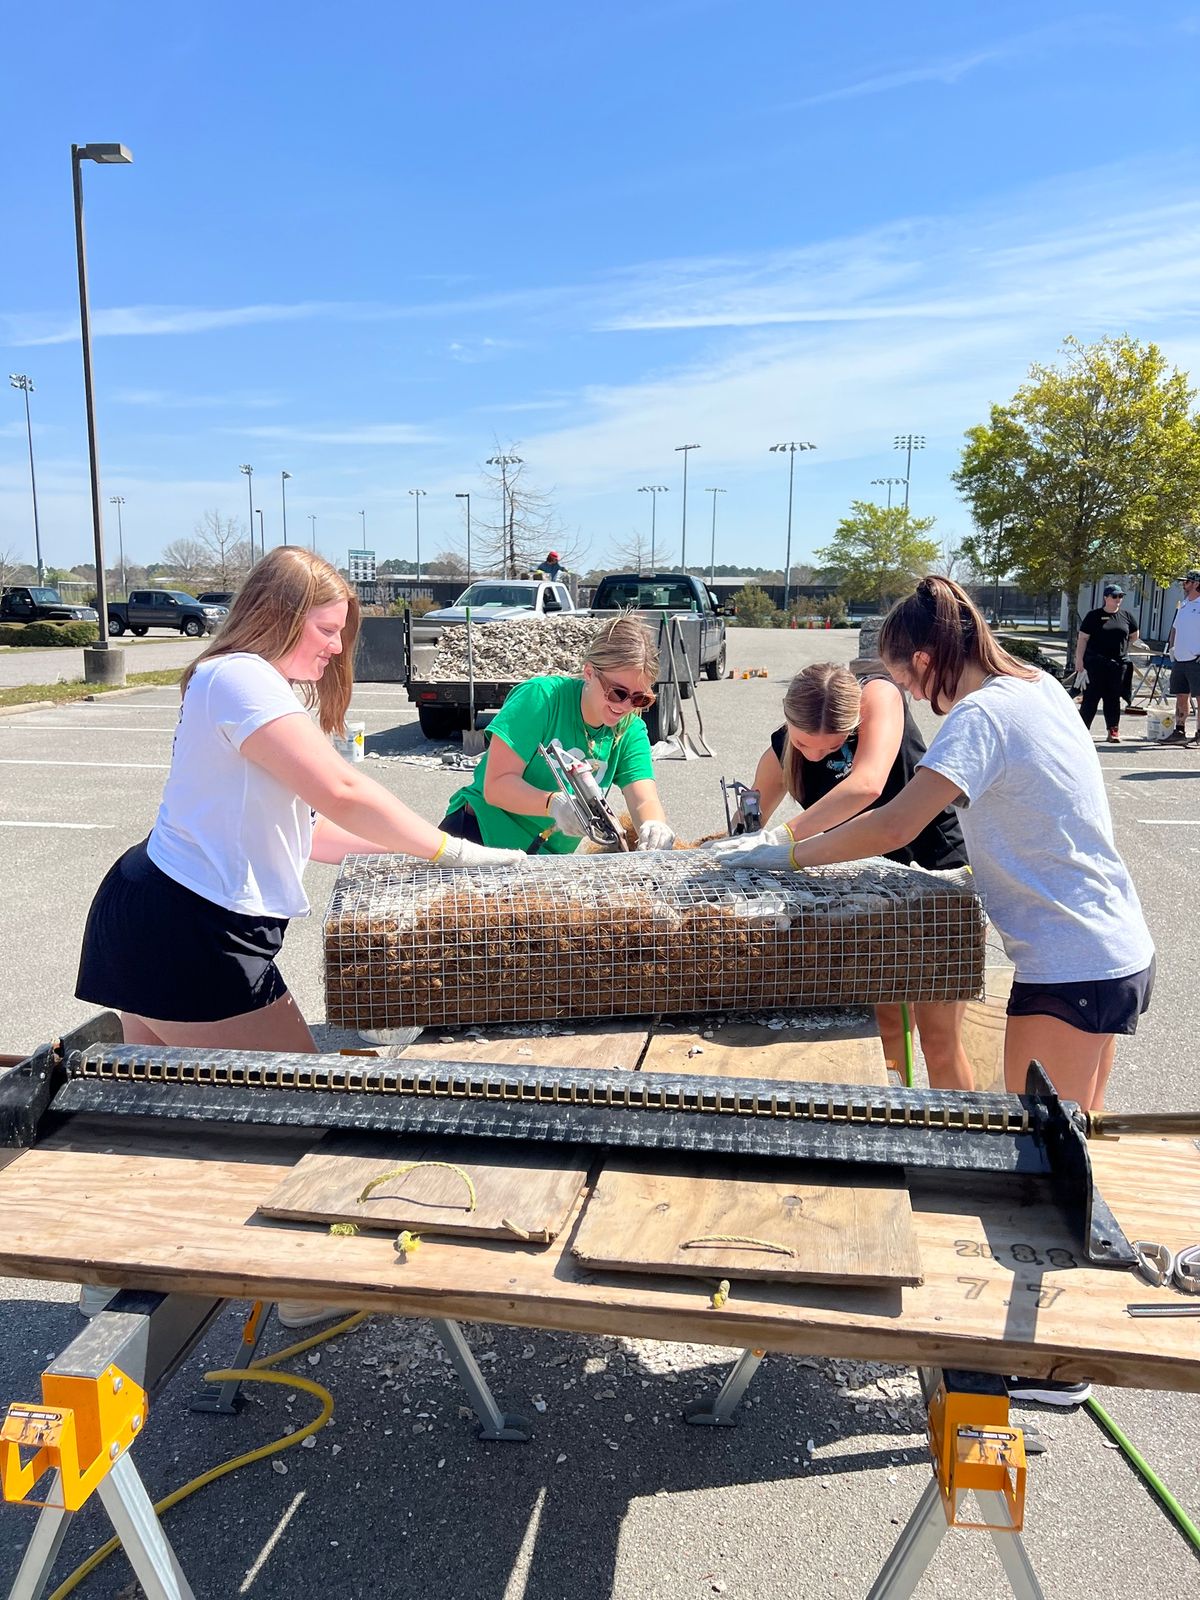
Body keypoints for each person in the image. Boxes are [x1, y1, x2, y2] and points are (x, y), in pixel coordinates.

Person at [76, 547, 522, 1058]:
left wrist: (414, 857)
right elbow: (342, 792)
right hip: (188, 925)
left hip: (166, 912)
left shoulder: (252, 684)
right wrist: (453, 850)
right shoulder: (240, 677)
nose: (336, 647)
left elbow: (308, 829)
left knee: (158, 1107)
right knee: (298, 1105)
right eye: (326, 630)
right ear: (280, 617)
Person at [709, 662, 974, 1089]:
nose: (814, 755)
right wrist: (729, 845)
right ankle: (893, 1129)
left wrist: (785, 837)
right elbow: (752, 819)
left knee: (939, 1037)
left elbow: (867, 785)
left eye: (830, 748)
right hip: (863, 884)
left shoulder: (879, 696)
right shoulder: (787, 744)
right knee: (883, 1023)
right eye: (804, 745)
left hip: (931, 874)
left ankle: (965, 1144)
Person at [441, 613, 674, 853]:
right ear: (589, 673)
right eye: (618, 693)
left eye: (639, 698)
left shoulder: (629, 729)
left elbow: (643, 798)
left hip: (544, 856)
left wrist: (653, 825)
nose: (625, 706)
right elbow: (496, 786)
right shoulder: (541, 699)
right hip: (479, 836)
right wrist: (553, 804)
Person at [1074, 583, 1140, 742]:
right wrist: (1079, 660)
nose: (1118, 599)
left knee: (1113, 698)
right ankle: (1082, 731)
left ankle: (1113, 730)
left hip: (1118, 665)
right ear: (1106, 598)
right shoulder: (1093, 616)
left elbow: (1134, 636)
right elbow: (1082, 639)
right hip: (1095, 663)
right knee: (1091, 697)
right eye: (1114, 596)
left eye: (1120, 596)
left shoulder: (1127, 616)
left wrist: (1121, 648)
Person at [1166, 569, 1200, 743]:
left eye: (1186, 582)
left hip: (1196, 659)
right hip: (1180, 659)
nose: (1183, 585)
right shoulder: (1184, 604)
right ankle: (1179, 731)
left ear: (1195, 584)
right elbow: (1175, 628)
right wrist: (1172, 648)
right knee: (1181, 695)